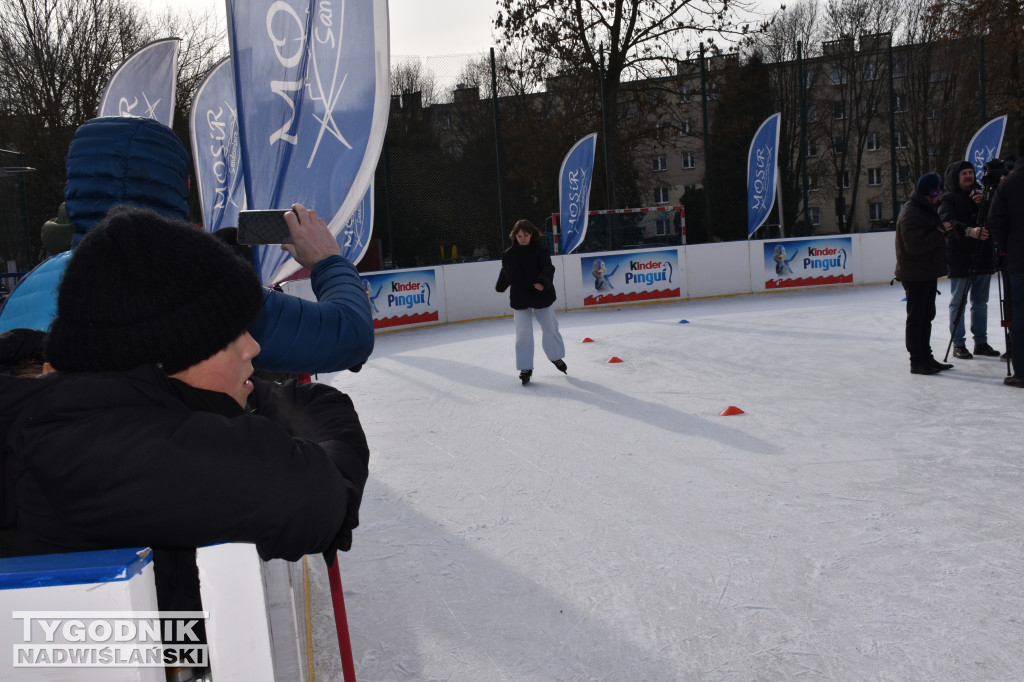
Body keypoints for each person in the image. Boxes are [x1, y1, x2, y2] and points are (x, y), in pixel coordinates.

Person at [0, 207, 370, 668]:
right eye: (231, 334)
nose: (253, 347)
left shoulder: (104, 403)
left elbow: (310, 403)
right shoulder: (105, 451)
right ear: (171, 355)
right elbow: (316, 500)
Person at [0, 116, 374, 375]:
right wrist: (327, 260)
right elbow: (348, 335)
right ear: (181, 189)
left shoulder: (29, 286)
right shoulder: (200, 290)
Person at [938, 160, 1001, 359]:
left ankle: (981, 342)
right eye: (964, 173)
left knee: (980, 302)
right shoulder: (948, 198)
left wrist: (985, 203)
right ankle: (958, 343)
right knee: (959, 302)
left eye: (971, 172)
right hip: (960, 257)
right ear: (956, 177)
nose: (969, 176)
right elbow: (947, 221)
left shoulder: (981, 195)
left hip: (982, 255)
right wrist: (969, 231)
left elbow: (996, 218)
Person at [895, 172, 954, 375]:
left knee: (926, 316)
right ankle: (917, 361)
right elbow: (914, 246)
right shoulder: (912, 213)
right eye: (940, 189)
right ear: (933, 191)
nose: (942, 193)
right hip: (915, 275)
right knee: (917, 318)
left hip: (925, 272)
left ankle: (926, 357)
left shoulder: (924, 208)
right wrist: (941, 235)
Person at [495, 219, 567, 385]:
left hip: (541, 294)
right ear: (515, 236)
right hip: (520, 297)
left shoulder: (541, 251)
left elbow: (548, 268)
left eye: (526, 235)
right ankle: (525, 367)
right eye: (519, 236)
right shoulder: (509, 255)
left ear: (532, 234)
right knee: (523, 335)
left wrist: (543, 282)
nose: (523, 238)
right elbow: (507, 271)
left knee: (550, 328)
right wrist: (501, 285)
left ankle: (556, 357)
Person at [985, 136, 1024, 387]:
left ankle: (1021, 372)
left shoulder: (1009, 183)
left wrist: (1007, 246)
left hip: (1019, 261)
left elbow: (995, 220)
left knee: (1020, 316)